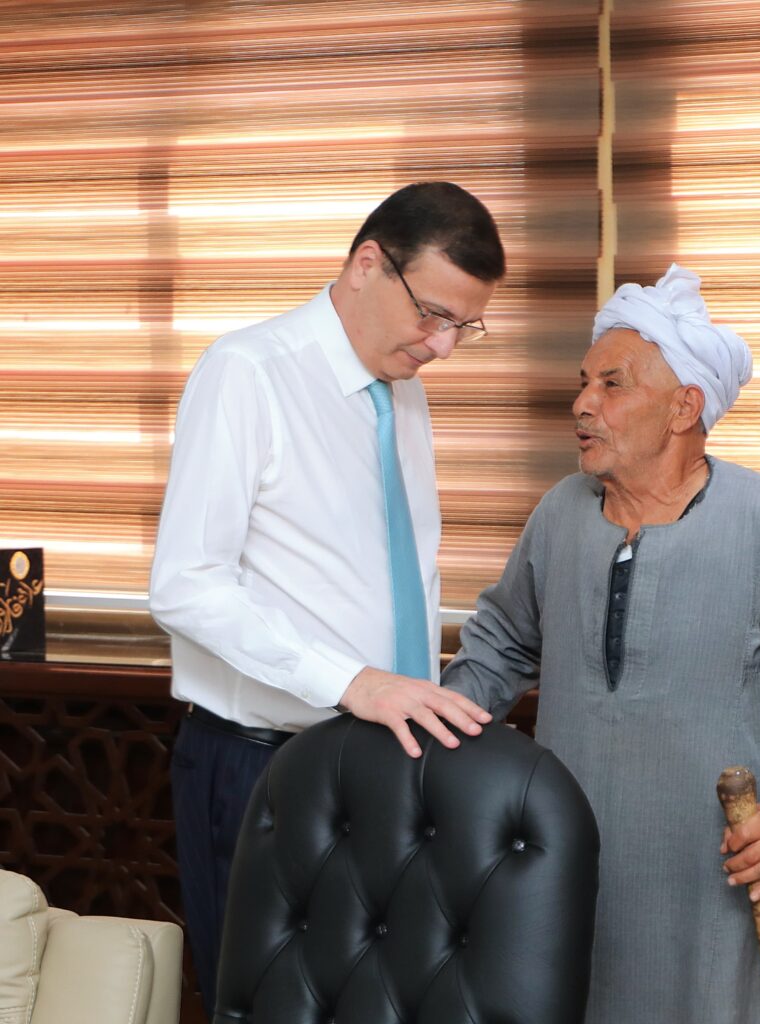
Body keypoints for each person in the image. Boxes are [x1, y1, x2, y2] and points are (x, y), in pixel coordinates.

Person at [441, 264, 760, 1024]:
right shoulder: (559, 515)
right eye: (583, 383)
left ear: (685, 406)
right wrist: (413, 744)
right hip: (581, 882)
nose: (583, 404)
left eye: (612, 385)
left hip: (727, 898)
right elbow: (495, 654)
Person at [149, 181, 499, 1014]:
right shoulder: (248, 372)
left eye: (463, 326)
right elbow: (186, 585)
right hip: (265, 766)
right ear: (367, 264)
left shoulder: (402, 391)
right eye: (433, 314)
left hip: (388, 767)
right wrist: (353, 682)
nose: (443, 346)